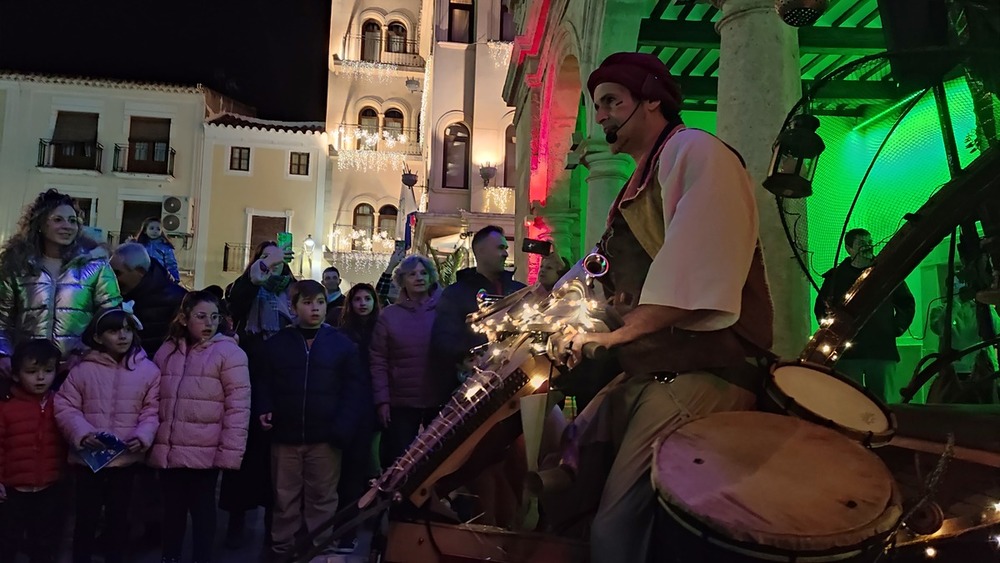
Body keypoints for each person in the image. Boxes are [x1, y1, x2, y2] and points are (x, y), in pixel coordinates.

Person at [556, 52, 774, 561]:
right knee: (568, 462)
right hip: (653, 367)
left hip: (702, 371)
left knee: (613, 530)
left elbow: (700, 262)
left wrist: (616, 335)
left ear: (653, 98)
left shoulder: (695, 151)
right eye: (598, 105)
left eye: (613, 101)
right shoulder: (642, 177)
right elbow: (600, 270)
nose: (602, 115)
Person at [254, 280, 363, 560]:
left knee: (323, 499)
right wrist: (265, 407)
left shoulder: (342, 345)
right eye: (307, 302)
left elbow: (354, 390)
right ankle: (283, 550)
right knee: (284, 498)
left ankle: (318, 550)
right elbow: (263, 382)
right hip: (285, 435)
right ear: (294, 307)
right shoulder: (277, 345)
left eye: (320, 302)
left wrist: (342, 428)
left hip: (325, 436)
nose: (314, 309)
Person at [151, 291, 251, 563]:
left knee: (203, 511)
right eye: (201, 316)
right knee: (172, 510)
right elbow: (154, 396)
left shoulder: (229, 353)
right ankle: (169, 556)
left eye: (215, 317)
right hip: (170, 447)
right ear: (184, 319)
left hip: (205, 450)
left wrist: (229, 453)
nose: (209, 323)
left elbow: (238, 407)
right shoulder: (167, 350)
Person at [54, 306, 160, 563]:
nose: (123, 336)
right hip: (89, 459)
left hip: (125, 459)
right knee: (86, 517)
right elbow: (65, 405)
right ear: (99, 337)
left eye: (127, 329)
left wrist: (144, 435)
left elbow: (152, 409)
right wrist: (81, 432)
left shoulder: (148, 371)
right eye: (114, 331)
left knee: (119, 517)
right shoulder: (82, 371)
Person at [218, 241, 294, 548]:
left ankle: (273, 529)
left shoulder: (291, 288)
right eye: (265, 257)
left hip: (280, 384)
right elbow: (237, 301)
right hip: (247, 380)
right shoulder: (245, 285)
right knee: (245, 457)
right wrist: (263, 267)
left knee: (277, 462)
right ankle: (236, 521)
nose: (272, 263)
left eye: (277, 258)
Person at [0, 189, 122, 378]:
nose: (67, 226)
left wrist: (84, 351)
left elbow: (112, 319)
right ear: (40, 224)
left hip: (80, 372)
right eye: (58, 220)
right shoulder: (17, 267)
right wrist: (4, 355)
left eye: (72, 221)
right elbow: (2, 321)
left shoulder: (96, 267)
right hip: (28, 375)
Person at [815, 228, 914, 402]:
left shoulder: (885, 273)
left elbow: (906, 302)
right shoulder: (836, 278)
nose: (868, 247)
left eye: (869, 242)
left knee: (883, 402)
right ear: (849, 248)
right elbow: (821, 308)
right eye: (861, 243)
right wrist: (832, 331)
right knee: (849, 401)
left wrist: (895, 328)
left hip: (881, 351)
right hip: (847, 353)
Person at [370, 255, 448, 468]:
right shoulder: (389, 316)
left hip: (438, 398)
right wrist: (382, 401)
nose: (419, 278)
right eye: (412, 274)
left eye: (423, 273)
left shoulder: (444, 311)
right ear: (402, 279)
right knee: (399, 461)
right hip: (401, 402)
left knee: (436, 462)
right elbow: (379, 361)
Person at [0, 339, 67, 563]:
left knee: (44, 543)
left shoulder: (61, 403)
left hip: (49, 486)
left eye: (48, 371)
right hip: (13, 490)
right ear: (16, 374)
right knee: (8, 542)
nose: (41, 378)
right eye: (32, 371)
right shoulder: (6, 407)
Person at [431, 226, 526, 377]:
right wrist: (468, 357)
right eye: (501, 248)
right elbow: (444, 340)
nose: (506, 253)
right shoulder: (455, 294)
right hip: (477, 381)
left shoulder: (519, 291)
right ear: (481, 251)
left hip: (520, 377)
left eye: (506, 248)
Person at [333, 283, 381, 553]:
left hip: (376, 406)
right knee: (351, 472)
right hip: (353, 407)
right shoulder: (343, 334)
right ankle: (346, 531)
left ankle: (369, 527)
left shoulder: (380, 331)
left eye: (367, 299)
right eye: (357, 299)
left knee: (373, 470)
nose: (362, 304)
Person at [111, 242, 188, 357]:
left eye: (117, 273)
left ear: (140, 271)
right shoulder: (112, 297)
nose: (111, 278)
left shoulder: (179, 300)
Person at [135, 217, 180, 283]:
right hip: (141, 276)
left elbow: (171, 264)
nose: (155, 231)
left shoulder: (165, 247)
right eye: (151, 228)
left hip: (159, 277)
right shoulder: (139, 245)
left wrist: (175, 277)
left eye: (158, 229)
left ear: (161, 232)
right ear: (145, 230)